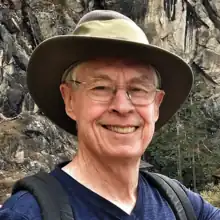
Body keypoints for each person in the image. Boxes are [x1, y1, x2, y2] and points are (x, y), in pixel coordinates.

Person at [0, 10, 219, 220]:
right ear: (70, 100)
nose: (122, 107)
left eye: (138, 89)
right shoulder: (28, 214)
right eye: (101, 87)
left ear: (156, 105)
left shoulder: (181, 204)